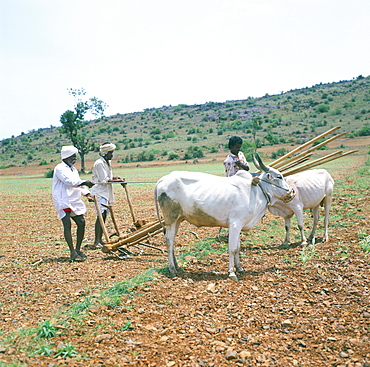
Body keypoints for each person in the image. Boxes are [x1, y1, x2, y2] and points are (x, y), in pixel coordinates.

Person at [52, 146, 94, 262]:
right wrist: (85, 181)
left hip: (73, 199)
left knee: (81, 222)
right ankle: (72, 253)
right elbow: (69, 182)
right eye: (72, 156)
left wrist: (87, 194)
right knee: (67, 225)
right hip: (63, 199)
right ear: (66, 157)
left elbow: (78, 184)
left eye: (75, 157)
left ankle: (78, 249)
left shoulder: (73, 170)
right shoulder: (59, 168)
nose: (74, 159)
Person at [91, 142, 125, 249]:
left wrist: (115, 178)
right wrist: (118, 181)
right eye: (110, 153)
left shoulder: (106, 162)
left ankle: (100, 239)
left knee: (104, 215)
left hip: (105, 192)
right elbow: (104, 180)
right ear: (105, 153)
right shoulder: (99, 163)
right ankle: (96, 241)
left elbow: (107, 177)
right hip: (100, 192)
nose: (112, 155)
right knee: (100, 216)